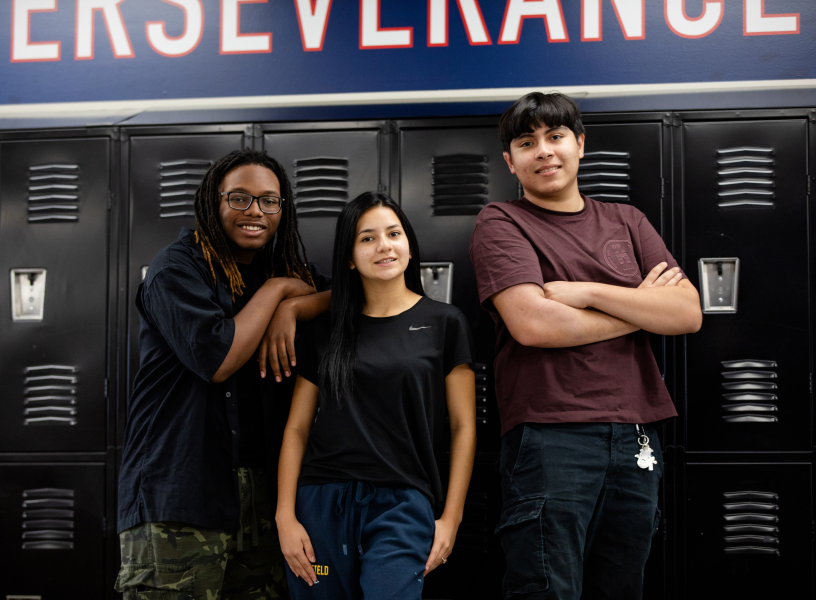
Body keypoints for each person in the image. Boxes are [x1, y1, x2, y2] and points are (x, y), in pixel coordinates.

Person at [469, 92, 702, 599]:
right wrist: (640, 308)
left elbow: (687, 313)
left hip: (636, 434)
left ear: (579, 144)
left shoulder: (628, 220)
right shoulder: (501, 221)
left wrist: (590, 293)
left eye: (555, 136)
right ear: (510, 161)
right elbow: (534, 324)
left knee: (621, 588)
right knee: (547, 589)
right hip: (550, 435)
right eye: (527, 143)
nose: (544, 151)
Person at [115, 149, 331, 600]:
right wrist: (278, 292)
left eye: (269, 201)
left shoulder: (283, 265)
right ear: (214, 202)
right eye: (240, 198)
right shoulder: (177, 268)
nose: (255, 211)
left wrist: (292, 307)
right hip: (181, 494)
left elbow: (346, 296)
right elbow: (217, 358)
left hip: (263, 500)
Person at [275, 193, 476, 600]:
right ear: (349, 258)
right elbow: (296, 429)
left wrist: (451, 518)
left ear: (409, 246)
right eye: (367, 238)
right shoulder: (326, 331)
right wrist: (285, 517)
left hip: (402, 506)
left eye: (394, 234)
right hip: (321, 506)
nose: (384, 245)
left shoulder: (445, 323)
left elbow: (463, 427)